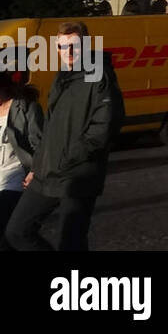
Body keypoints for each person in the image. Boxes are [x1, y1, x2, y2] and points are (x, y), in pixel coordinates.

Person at [6, 22, 123, 251]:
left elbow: (106, 126)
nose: (68, 53)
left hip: (79, 174)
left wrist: (69, 158)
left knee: (70, 242)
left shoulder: (99, 76)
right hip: (48, 173)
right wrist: (37, 167)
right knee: (17, 231)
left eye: (74, 46)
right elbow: (50, 129)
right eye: (62, 47)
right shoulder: (63, 76)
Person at [0, 69, 44, 249]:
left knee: (12, 234)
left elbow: (41, 145)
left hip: (14, 181)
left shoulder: (25, 108)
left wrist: (35, 171)